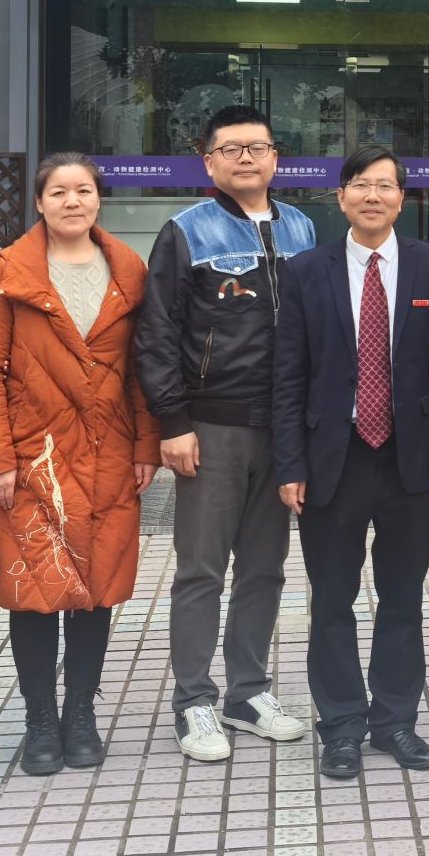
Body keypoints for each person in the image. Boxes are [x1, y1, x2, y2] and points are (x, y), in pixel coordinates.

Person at [273, 146, 429, 781]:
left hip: (409, 460)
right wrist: (290, 464)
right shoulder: (307, 271)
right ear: (342, 197)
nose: (372, 196)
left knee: (402, 598)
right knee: (333, 599)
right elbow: (288, 376)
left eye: (385, 186)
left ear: (402, 199)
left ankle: (395, 722)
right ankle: (341, 727)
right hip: (333, 458)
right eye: (360, 184)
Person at [0, 153, 158, 777]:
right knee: (33, 590)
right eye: (58, 192)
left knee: (97, 590)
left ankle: (80, 713)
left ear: (98, 199)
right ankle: (40, 719)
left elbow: (144, 367)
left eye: (83, 191)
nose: (72, 201)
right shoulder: (8, 273)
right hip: (33, 458)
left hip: (109, 452)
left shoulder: (129, 268)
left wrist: (145, 446)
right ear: (39, 203)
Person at [135, 104, 316, 761]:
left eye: (257, 147)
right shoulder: (187, 231)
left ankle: (248, 693)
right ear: (208, 160)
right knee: (201, 570)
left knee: (265, 568)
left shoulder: (302, 227)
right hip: (211, 426)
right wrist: (173, 422)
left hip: (283, 426)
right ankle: (193, 701)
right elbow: (156, 334)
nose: (246, 158)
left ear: (275, 158)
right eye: (231, 148)